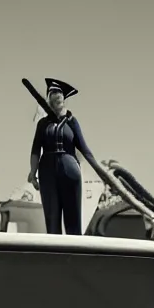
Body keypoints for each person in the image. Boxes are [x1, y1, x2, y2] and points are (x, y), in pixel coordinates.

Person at [27, 78, 97, 236]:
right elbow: (36, 150)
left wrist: (101, 174)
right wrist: (33, 172)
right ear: (48, 99)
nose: (56, 95)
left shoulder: (72, 122)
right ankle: (54, 254)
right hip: (47, 172)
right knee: (52, 219)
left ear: (64, 98)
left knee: (73, 219)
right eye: (52, 93)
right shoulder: (43, 124)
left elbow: (85, 150)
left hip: (70, 171)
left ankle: (76, 253)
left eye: (59, 93)